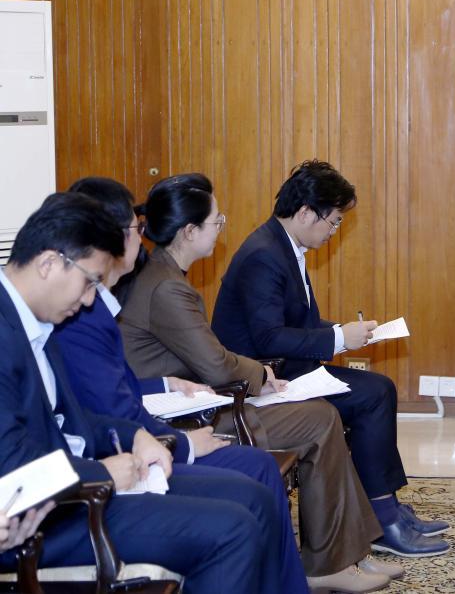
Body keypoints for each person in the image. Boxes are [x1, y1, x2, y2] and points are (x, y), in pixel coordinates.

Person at [116, 175, 401, 593]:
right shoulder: (167, 288)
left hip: (197, 399)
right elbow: (215, 362)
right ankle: (330, 563)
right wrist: (260, 375)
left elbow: (211, 355)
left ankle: (348, 554)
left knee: (322, 415)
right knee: (319, 419)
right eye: (216, 221)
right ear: (189, 231)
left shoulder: (165, 275)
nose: (221, 228)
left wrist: (254, 375)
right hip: (186, 416)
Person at [0, 192, 278, 593]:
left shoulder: (34, 321)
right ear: (48, 264)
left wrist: (136, 436)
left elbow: (71, 420)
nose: (90, 299)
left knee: (252, 497)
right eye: (89, 282)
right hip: (51, 518)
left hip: (81, 486)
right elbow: (13, 464)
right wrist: (103, 473)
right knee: (232, 530)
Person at [210, 160, 449, 557]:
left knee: (378, 389)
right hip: (261, 382)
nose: (335, 231)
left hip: (285, 368)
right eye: (334, 221)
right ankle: (382, 518)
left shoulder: (284, 246)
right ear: (306, 212)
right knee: (374, 394)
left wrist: (345, 334)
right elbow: (268, 337)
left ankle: (386, 509)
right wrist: (338, 338)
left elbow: (297, 321)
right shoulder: (263, 255)